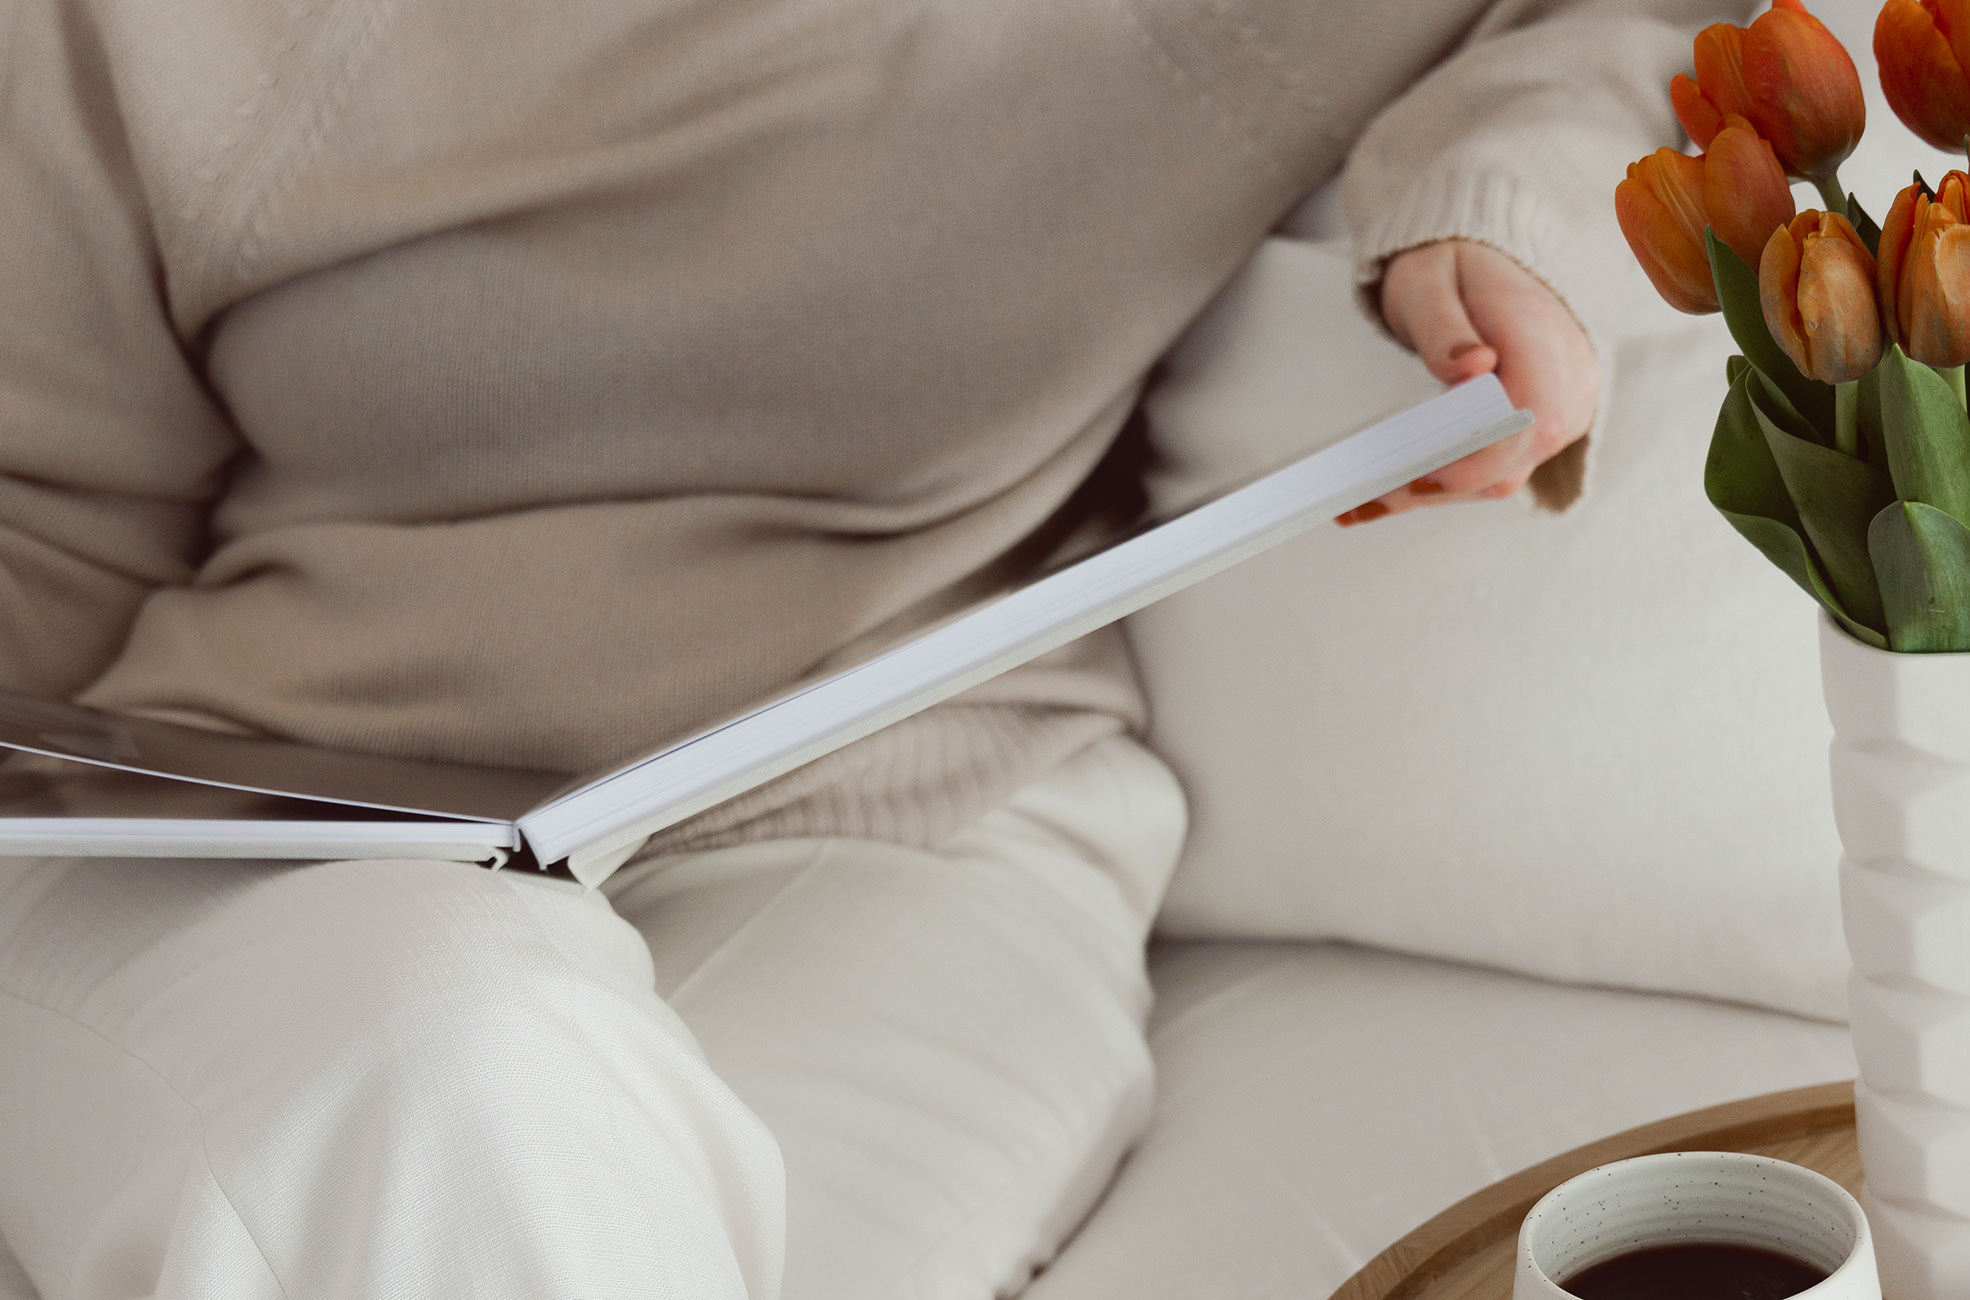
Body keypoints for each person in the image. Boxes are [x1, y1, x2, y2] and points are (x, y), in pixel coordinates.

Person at [0, 0, 1746, 1296]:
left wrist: (1492, 219)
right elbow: (44, 520)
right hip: (252, 833)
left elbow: (1632, 17)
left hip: (903, 807)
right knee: (457, 1057)